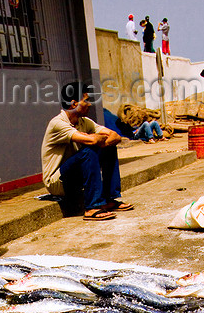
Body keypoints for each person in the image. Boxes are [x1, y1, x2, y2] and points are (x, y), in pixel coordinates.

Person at [41, 82, 134, 221]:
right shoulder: (58, 123)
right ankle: (92, 207)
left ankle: (109, 199)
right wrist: (96, 140)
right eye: (86, 100)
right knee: (88, 152)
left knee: (108, 148)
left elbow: (115, 136)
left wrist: (101, 141)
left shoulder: (84, 122)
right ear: (74, 103)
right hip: (57, 182)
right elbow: (92, 141)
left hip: (75, 176)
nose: (90, 104)